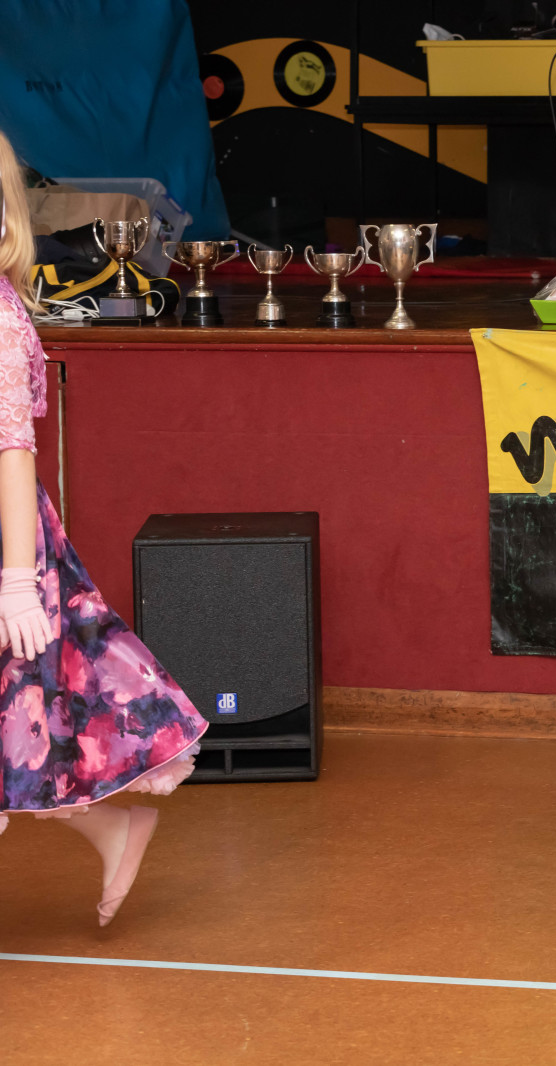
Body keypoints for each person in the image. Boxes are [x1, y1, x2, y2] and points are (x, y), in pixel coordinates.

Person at [0, 128, 208, 925]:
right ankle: (113, 830)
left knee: (29, 711)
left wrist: (17, 582)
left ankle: (115, 828)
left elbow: (11, 454)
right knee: (20, 723)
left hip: (9, 551)